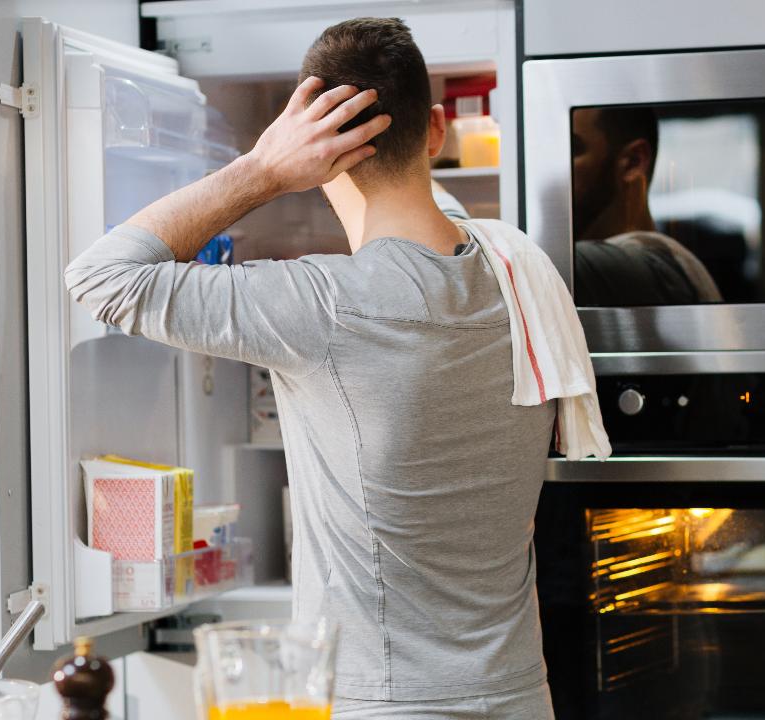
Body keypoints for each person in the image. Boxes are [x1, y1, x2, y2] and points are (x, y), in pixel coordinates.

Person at [65, 17, 598, 719]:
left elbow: (101, 277)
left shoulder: (323, 304)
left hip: (382, 703)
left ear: (313, 148)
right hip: (520, 695)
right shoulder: (516, 275)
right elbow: (429, 217)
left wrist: (263, 170)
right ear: (437, 130)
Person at [570, 107, 722, 306]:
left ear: (633, 161)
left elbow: (532, 266)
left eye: (572, 149)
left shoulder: (651, 266)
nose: (552, 172)